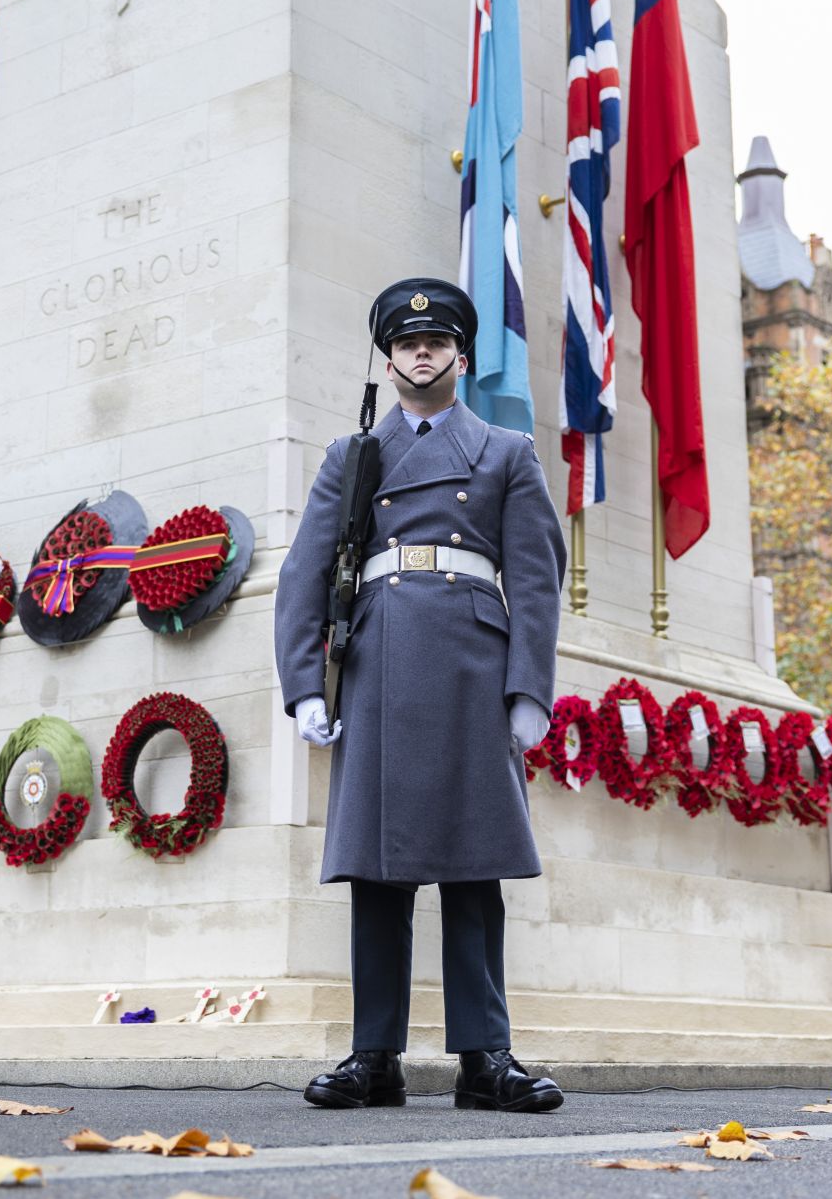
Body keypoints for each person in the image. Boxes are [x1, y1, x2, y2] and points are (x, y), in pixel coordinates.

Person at [274, 277, 567, 1114]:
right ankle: (376, 1055)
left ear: (461, 355)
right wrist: (304, 684)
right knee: (378, 868)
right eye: (406, 344)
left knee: (475, 869)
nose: (421, 352)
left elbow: (537, 581)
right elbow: (304, 573)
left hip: (474, 663)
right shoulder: (353, 456)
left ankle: (486, 1058)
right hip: (380, 658)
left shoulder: (507, 452)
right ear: (390, 358)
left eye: (436, 341)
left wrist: (529, 691)